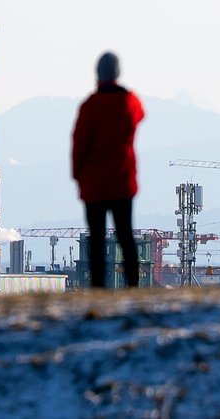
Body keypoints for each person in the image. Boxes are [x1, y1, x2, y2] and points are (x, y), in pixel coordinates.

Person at [72, 52, 146, 288]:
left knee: (96, 238)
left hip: (94, 184)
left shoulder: (90, 106)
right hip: (122, 180)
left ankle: (98, 287)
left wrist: (78, 175)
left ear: (97, 74)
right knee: (125, 235)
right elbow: (140, 113)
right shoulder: (128, 102)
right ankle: (133, 285)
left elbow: (79, 144)